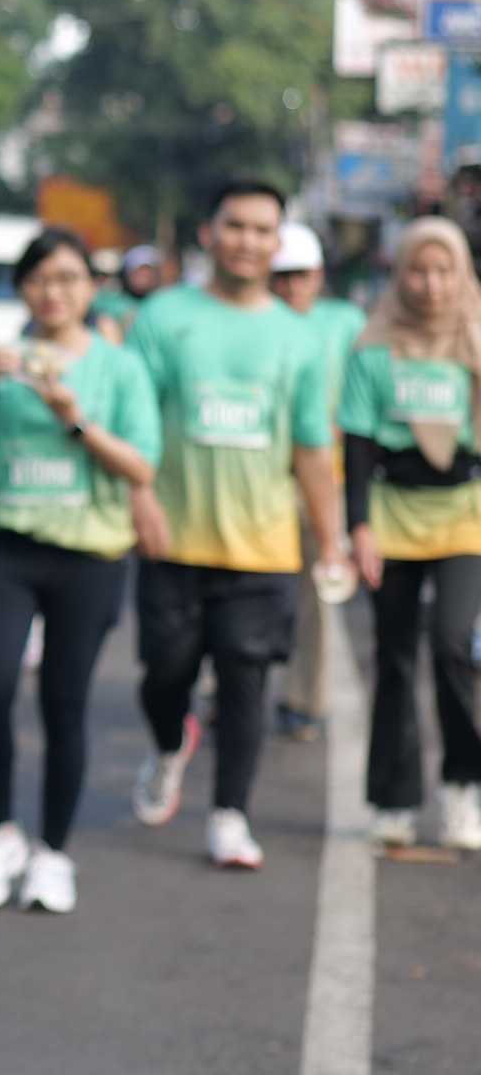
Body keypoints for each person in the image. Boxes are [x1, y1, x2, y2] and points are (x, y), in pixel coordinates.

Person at [0, 228, 161, 914]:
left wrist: (75, 420)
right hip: (8, 549)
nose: (53, 292)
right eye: (39, 280)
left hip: (90, 556)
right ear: (23, 289)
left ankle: (54, 853)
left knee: (65, 703)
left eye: (67, 279)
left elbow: (141, 466)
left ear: (91, 288)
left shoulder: (119, 369)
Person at [125, 182, 346, 870]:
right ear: (209, 233)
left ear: (276, 243)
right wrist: (139, 498)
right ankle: (170, 746)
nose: (248, 241)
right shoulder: (164, 317)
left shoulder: (297, 338)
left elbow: (310, 447)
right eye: (236, 226)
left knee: (246, 679)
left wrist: (332, 538)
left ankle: (230, 815)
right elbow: (133, 421)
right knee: (165, 673)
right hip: (173, 538)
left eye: (262, 230)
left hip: (262, 545)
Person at [340, 215, 481, 851]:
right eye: (418, 271)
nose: (431, 284)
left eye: (444, 270)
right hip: (393, 513)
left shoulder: (475, 338)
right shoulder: (373, 347)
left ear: (462, 273)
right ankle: (392, 800)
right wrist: (358, 528)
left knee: (453, 645)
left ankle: (464, 785)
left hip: (464, 515)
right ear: (400, 275)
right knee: (394, 655)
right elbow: (357, 445)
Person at [269, 222, 364, 738]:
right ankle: (224, 692)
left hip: (324, 476)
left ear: (318, 276)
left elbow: (366, 388)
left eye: (299, 275)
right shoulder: (251, 322)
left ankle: (306, 699)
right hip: (258, 480)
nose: (290, 287)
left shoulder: (344, 322)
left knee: (318, 595)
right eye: (280, 276)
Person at [93, 244, 162, 344]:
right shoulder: (107, 303)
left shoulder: (161, 304)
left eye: (148, 270)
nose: (144, 275)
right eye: (138, 270)